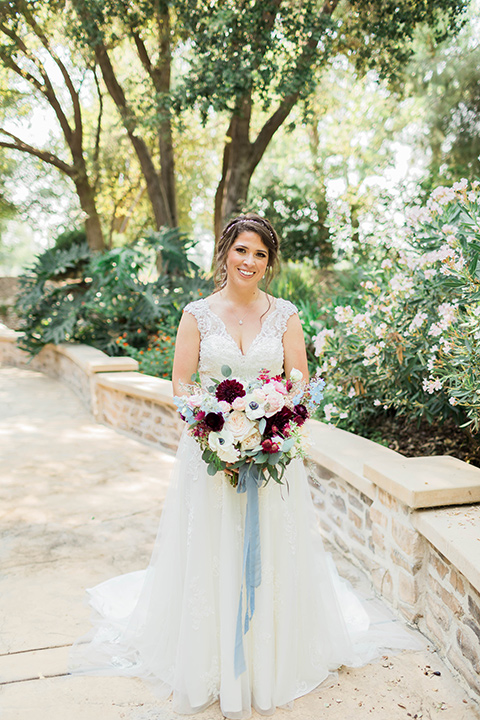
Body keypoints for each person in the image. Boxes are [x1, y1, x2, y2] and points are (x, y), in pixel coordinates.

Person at [69, 214, 411, 718]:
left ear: (269, 264)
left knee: (271, 546)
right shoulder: (198, 315)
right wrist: (218, 428)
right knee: (213, 546)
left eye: (260, 255)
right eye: (241, 251)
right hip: (210, 457)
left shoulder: (285, 314)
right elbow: (182, 384)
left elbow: (297, 384)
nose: (249, 262)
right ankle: (210, 654)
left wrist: (272, 427)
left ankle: (269, 652)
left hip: (272, 456)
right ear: (225, 251)